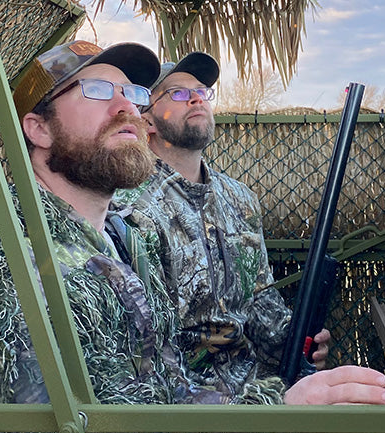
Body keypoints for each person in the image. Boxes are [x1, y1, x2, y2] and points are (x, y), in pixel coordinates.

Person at [0, 40, 385, 433]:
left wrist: (279, 409)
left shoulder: (117, 241)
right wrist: (279, 426)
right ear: (37, 129)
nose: (126, 106)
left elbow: (163, 392)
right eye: (98, 90)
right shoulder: (1, 264)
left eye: (132, 92)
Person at [115, 52, 330, 397]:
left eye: (202, 90)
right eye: (178, 93)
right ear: (147, 120)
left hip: (259, 387)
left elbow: (261, 299)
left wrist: (296, 340)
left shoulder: (239, 198)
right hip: (182, 406)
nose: (198, 97)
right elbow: (143, 344)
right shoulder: (127, 208)